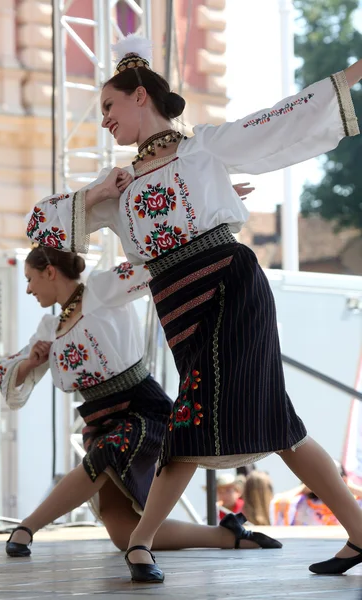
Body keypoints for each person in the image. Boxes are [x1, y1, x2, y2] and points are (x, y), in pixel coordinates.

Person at [25, 34, 362, 580]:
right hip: (179, 305)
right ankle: (361, 532)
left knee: (191, 416)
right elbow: (40, 224)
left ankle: (140, 543)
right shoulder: (119, 186)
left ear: (141, 96)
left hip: (231, 286)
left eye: (109, 105)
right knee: (277, 425)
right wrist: (93, 195)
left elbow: (273, 122)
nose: (104, 119)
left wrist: (348, 77)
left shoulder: (202, 147)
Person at [0, 244, 280, 558]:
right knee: (123, 534)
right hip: (101, 420)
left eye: (30, 279)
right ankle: (228, 536)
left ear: (50, 271)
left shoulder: (102, 288)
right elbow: (9, 372)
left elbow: (156, 268)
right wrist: (29, 363)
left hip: (142, 409)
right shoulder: (49, 328)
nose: (27, 289)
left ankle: (26, 528)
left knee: (105, 454)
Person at [270, 461, 362, 526]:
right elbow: (280, 502)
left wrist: (351, 488)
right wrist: (303, 488)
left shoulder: (354, 502)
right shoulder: (302, 502)